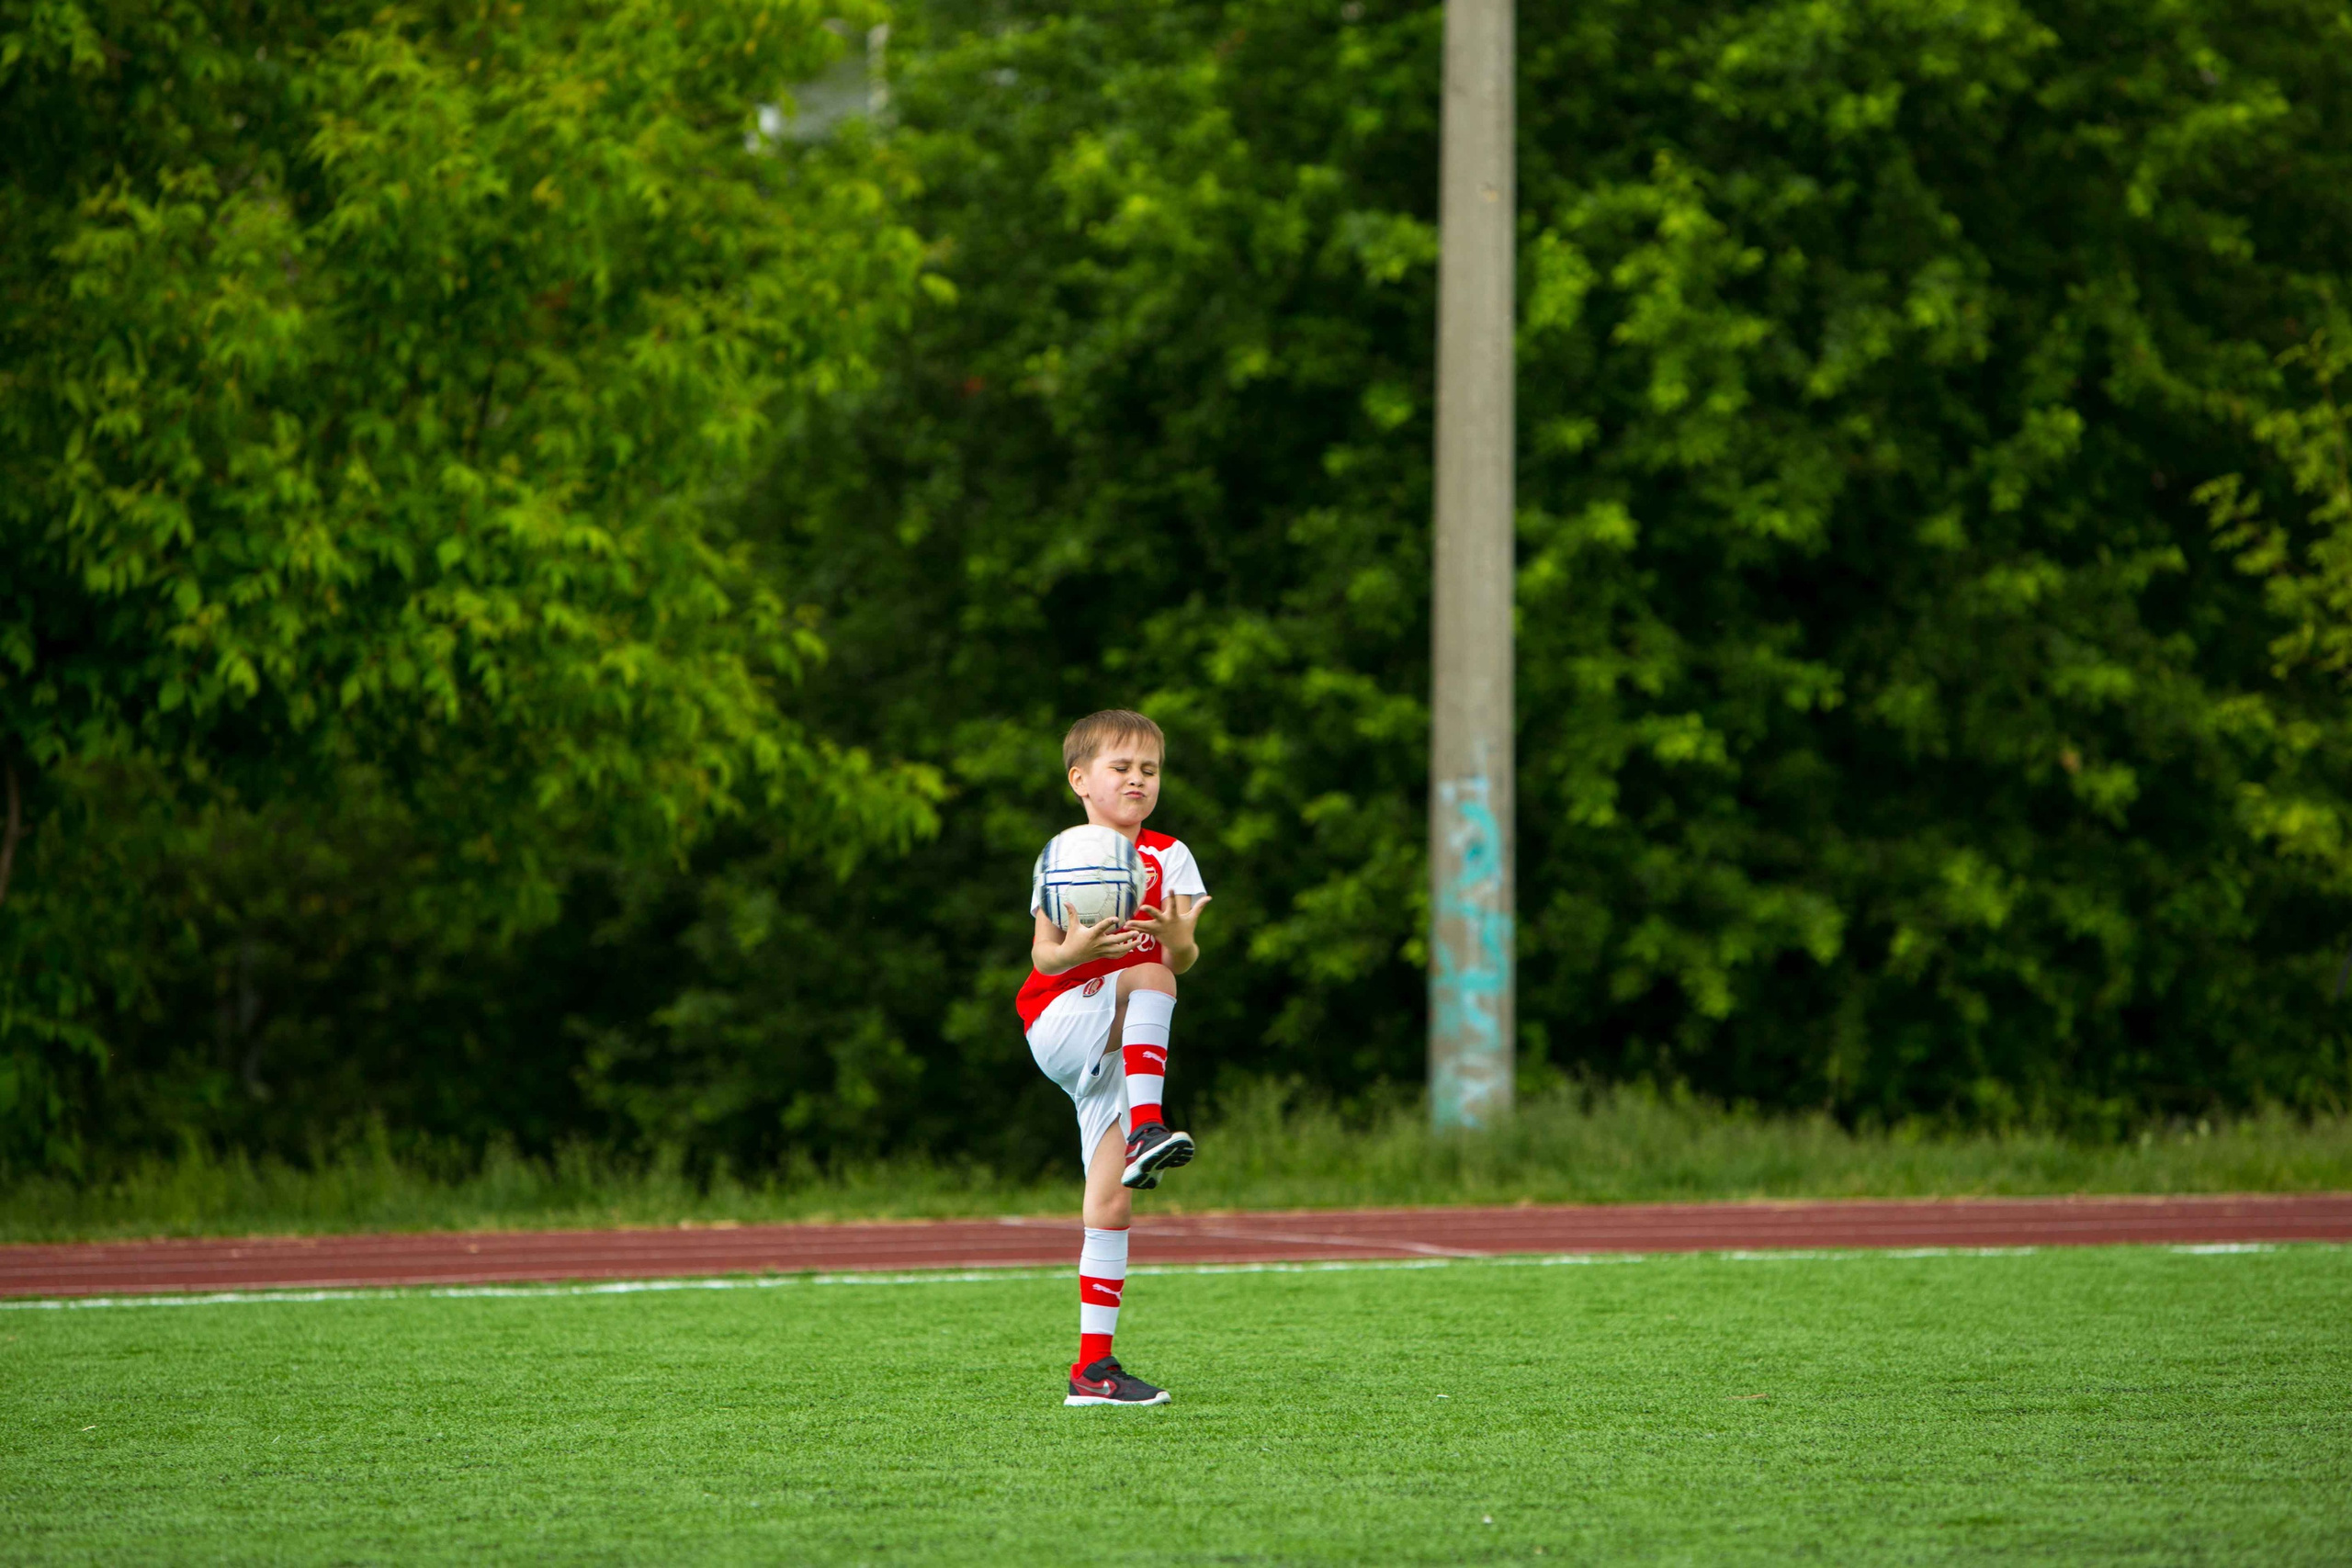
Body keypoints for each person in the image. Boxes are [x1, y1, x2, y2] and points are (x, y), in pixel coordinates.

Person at [1018, 708, 1212, 1407]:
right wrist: (1077, 951)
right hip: (1060, 1018)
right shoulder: (1065, 854)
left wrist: (1178, 935)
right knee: (1151, 976)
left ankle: (1091, 1372)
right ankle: (1149, 1127)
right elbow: (1044, 954)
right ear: (1080, 779)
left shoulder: (1171, 855)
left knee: (1112, 1201)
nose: (1137, 779)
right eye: (1120, 767)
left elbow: (1183, 955)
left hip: (1114, 1039)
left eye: (1149, 770)